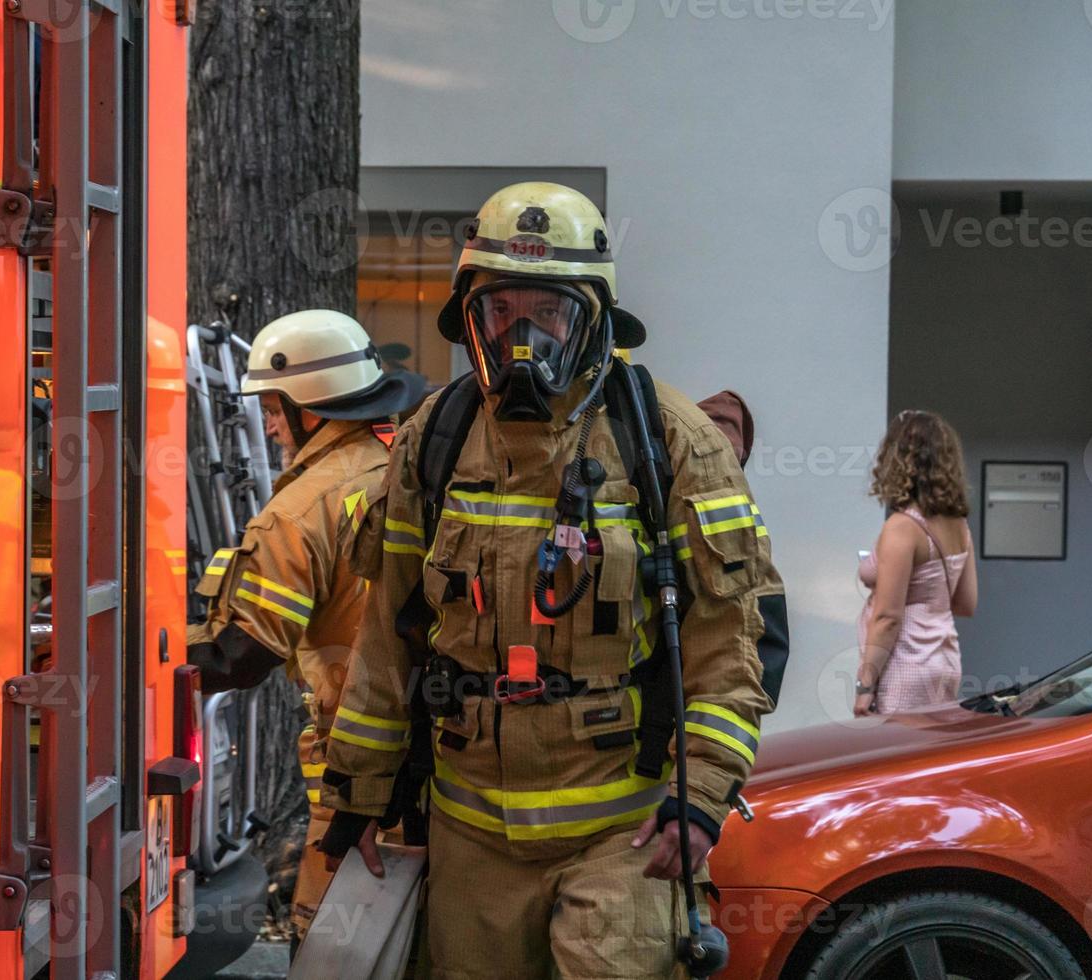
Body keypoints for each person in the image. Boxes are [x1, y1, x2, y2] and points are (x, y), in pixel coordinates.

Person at [316, 182, 789, 979]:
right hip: (470, 834)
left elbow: (727, 644)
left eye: (550, 313)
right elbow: (390, 631)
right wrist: (360, 789)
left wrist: (700, 795)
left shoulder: (673, 443)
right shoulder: (435, 440)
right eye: (502, 314)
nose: (523, 337)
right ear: (472, 321)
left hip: (625, 835)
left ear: (593, 321)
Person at [186, 309, 425, 939]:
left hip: (357, 783)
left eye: (272, 406)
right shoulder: (407, 461)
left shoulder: (299, 512)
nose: (267, 424)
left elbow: (240, 657)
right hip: (443, 768)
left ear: (309, 406)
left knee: (334, 947)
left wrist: (132, 660)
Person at [855, 410, 979, 716]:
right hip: (945, 661)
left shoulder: (902, 527)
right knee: (932, 756)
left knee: (894, 758)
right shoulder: (959, 526)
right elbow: (966, 604)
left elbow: (888, 617)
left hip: (906, 665)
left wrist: (865, 685)